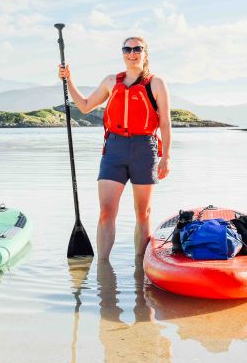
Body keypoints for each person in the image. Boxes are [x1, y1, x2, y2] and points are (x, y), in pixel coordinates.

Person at [58, 36, 171, 260]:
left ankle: (140, 267)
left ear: (145, 53)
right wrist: (68, 80)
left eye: (137, 49)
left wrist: (166, 157)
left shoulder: (156, 83)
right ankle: (103, 268)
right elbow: (85, 105)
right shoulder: (111, 81)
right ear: (123, 53)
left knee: (143, 213)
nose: (132, 53)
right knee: (106, 212)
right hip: (114, 149)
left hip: (144, 149)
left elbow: (165, 123)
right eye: (127, 49)